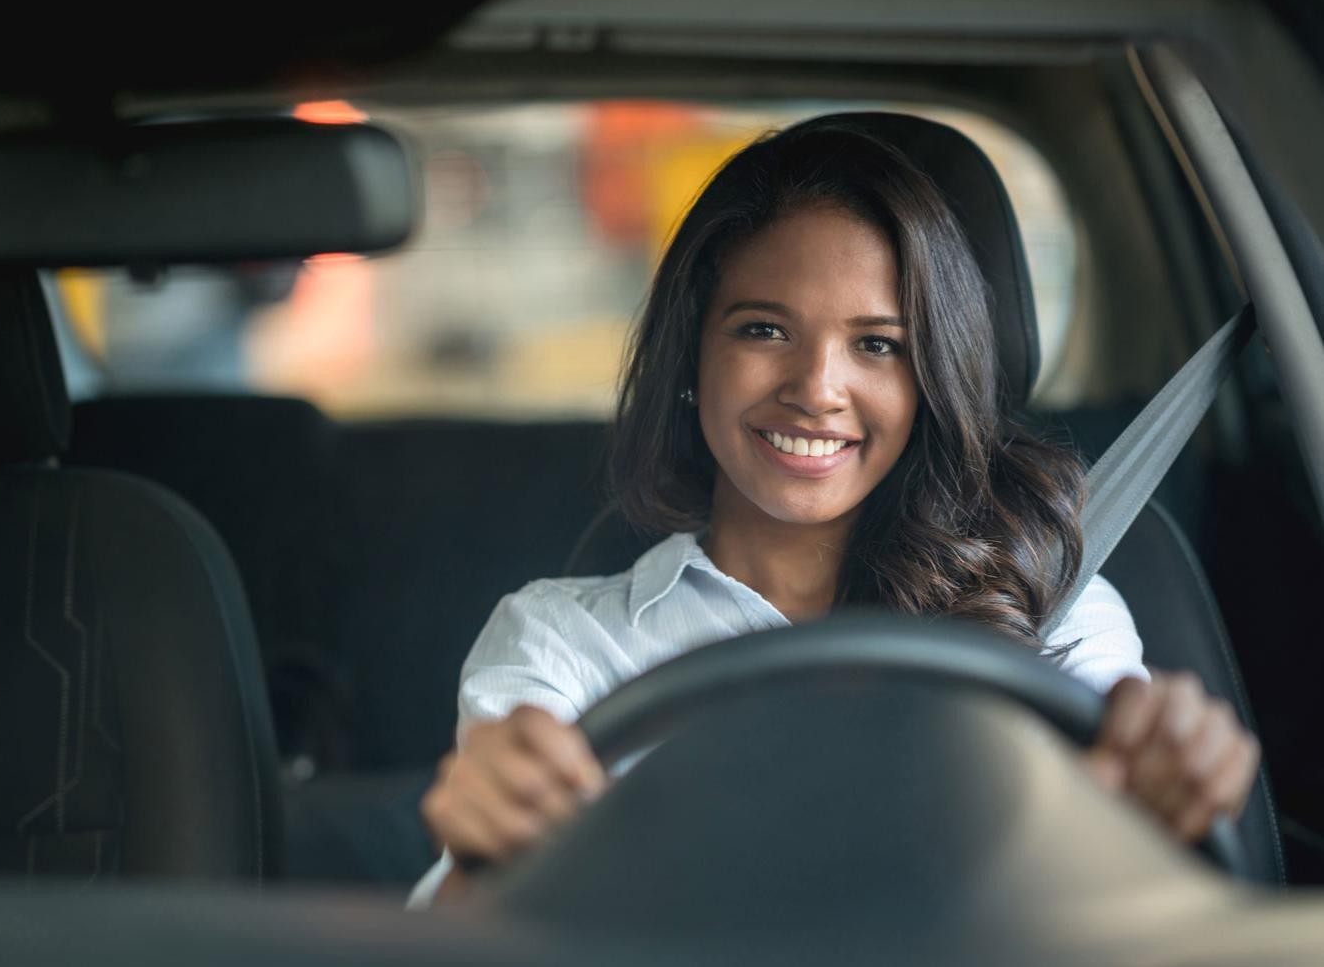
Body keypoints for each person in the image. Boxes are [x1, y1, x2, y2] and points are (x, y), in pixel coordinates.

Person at [410, 113, 1260, 907]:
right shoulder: (562, 643)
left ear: (930, 380)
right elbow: (467, 960)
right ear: (690, 354)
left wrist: (1161, 795)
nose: (816, 389)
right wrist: (484, 858)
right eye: (763, 330)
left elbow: (1130, 918)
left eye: (877, 345)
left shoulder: (1052, 609)